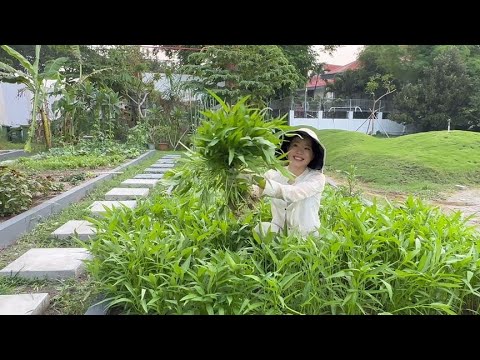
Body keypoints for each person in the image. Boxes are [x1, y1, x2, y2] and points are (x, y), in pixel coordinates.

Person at [253, 127, 326, 237]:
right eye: (295, 145)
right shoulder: (273, 174)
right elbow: (256, 192)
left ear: (313, 156)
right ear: (287, 149)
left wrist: (263, 184)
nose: (299, 151)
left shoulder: (316, 178)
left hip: (307, 236)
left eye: (307, 148)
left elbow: (294, 193)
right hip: (280, 231)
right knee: (260, 229)